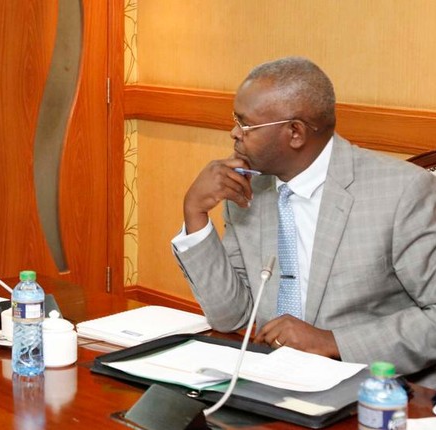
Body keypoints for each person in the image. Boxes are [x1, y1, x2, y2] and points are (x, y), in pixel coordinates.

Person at [172, 57, 436, 387]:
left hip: (374, 389)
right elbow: (232, 315)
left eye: (246, 125)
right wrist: (195, 213)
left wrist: (332, 342)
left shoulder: (401, 192)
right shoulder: (247, 188)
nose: (234, 133)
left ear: (295, 132)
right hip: (271, 381)